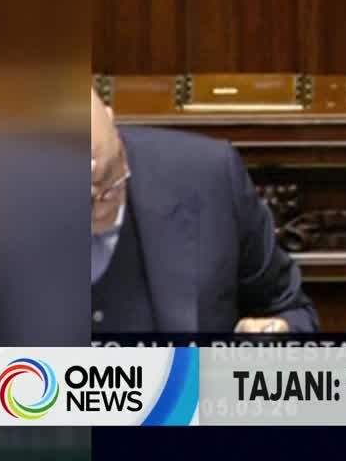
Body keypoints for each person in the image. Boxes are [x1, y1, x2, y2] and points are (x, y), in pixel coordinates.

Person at [91, 89, 316, 333]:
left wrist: (274, 335)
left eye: (109, 185)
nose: (97, 210)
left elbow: (291, 311)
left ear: (112, 121)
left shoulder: (208, 177)